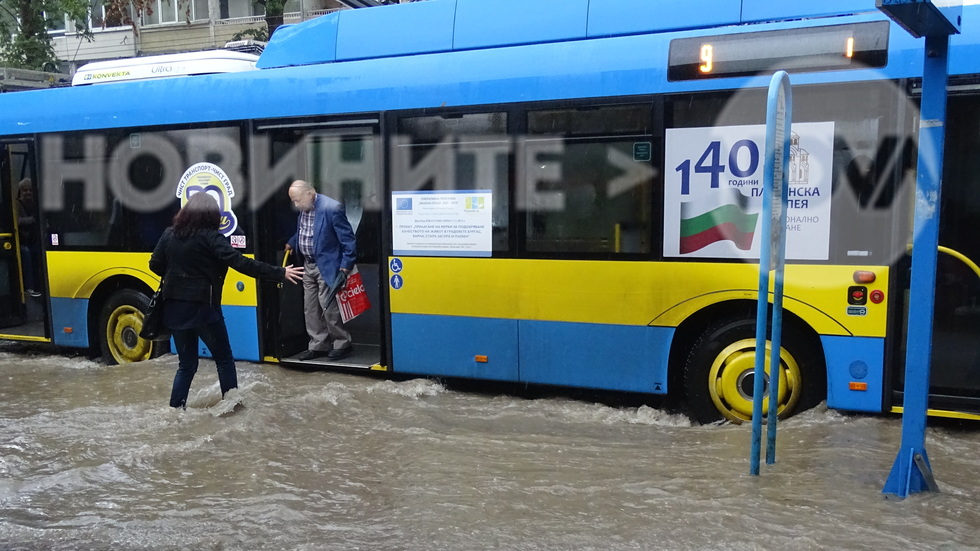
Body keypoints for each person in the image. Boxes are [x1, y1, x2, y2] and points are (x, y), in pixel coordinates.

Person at [150, 192, 303, 409]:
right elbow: (241, 263)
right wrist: (279, 272)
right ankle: (232, 407)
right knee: (223, 360)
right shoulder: (211, 238)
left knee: (186, 365)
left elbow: (154, 265)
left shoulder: (169, 234)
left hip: (175, 310)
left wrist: (178, 271)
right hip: (204, 311)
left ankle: (175, 410)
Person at [284, 180, 357, 361]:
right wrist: (293, 242)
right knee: (310, 307)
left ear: (310, 194)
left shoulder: (332, 208)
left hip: (328, 264)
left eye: (298, 200)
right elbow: (304, 231)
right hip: (308, 264)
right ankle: (318, 345)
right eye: (293, 201)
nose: (296, 205)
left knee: (328, 306)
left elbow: (348, 240)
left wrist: (345, 265)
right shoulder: (304, 208)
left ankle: (342, 343)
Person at [15, 178, 40, 297]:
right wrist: (33, 219)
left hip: (33, 239)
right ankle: (29, 287)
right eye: (25, 190)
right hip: (20, 240)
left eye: (30, 190)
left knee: (40, 254)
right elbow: (17, 221)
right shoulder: (17, 204)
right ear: (20, 191)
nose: (28, 193)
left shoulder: (36, 203)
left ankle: (39, 285)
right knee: (27, 254)